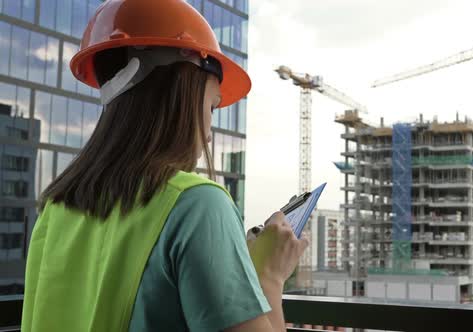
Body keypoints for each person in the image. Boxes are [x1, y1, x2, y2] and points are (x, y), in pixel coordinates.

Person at [21, 0, 308, 331]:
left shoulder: (55, 207)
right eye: (212, 108)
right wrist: (269, 276)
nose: (210, 136)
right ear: (181, 92)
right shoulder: (198, 204)